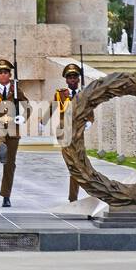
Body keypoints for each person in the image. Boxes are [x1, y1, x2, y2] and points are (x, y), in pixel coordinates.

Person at [0, 59, 30, 207]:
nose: (3, 75)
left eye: (5, 72)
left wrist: (23, 117)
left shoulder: (16, 89)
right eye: (0, 73)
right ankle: (0, 147)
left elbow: (27, 106)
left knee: (10, 165)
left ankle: (6, 195)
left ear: (10, 75)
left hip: (12, 128)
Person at [49, 64, 91, 201]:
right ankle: (73, 199)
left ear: (79, 79)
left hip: (78, 133)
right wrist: (41, 122)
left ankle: (73, 198)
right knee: (73, 164)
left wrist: (90, 121)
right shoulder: (60, 94)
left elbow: (90, 110)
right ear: (66, 80)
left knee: (78, 165)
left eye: (74, 77)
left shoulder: (84, 93)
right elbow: (52, 108)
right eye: (69, 77)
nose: (72, 80)